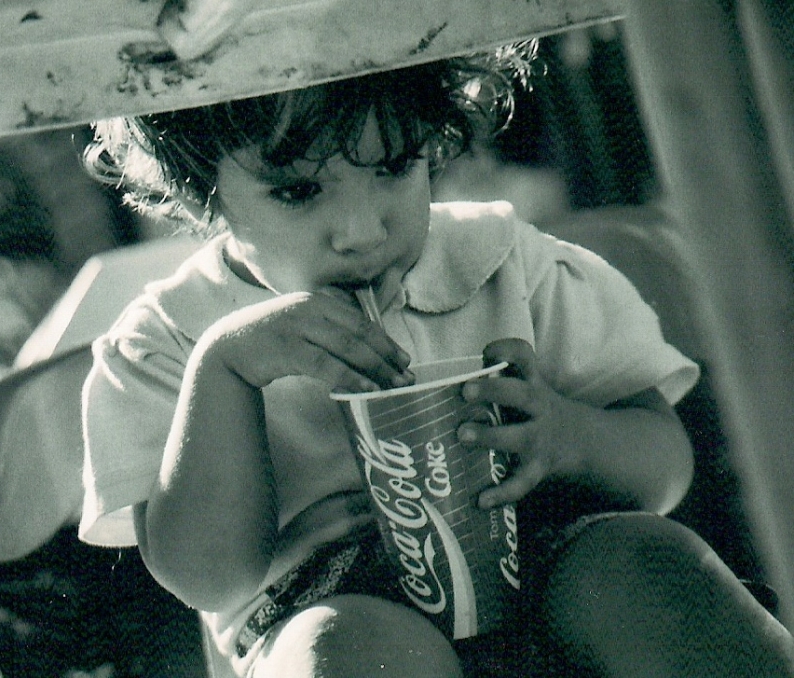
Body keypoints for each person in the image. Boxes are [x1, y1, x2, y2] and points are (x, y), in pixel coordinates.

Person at [76, 44, 794, 677]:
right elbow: (206, 579)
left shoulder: (506, 264)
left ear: (435, 143)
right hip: (321, 605)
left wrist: (568, 433)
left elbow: (665, 468)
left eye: (393, 166)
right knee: (345, 645)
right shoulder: (173, 336)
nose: (362, 231)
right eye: (297, 190)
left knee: (646, 560)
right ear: (202, 187)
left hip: (550, 558)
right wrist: (227, 371)